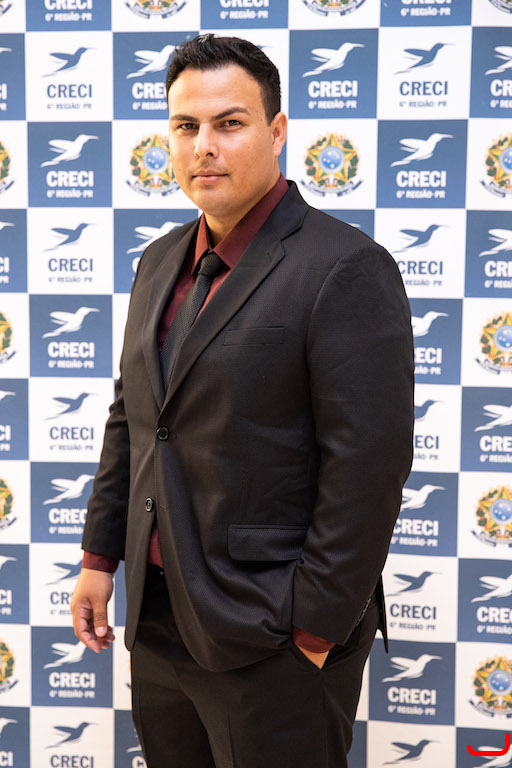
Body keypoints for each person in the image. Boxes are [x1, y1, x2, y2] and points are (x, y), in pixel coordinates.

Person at [71, 34, 414, 768]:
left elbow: (368, 467)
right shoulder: (159, 259)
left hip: (272, 636)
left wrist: (313, 630)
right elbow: (134, 418)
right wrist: (100, 556)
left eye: (230, 123)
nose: (205, 146)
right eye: (186, 126)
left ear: (277, 131)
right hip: (159, 619)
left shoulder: (345, 267)